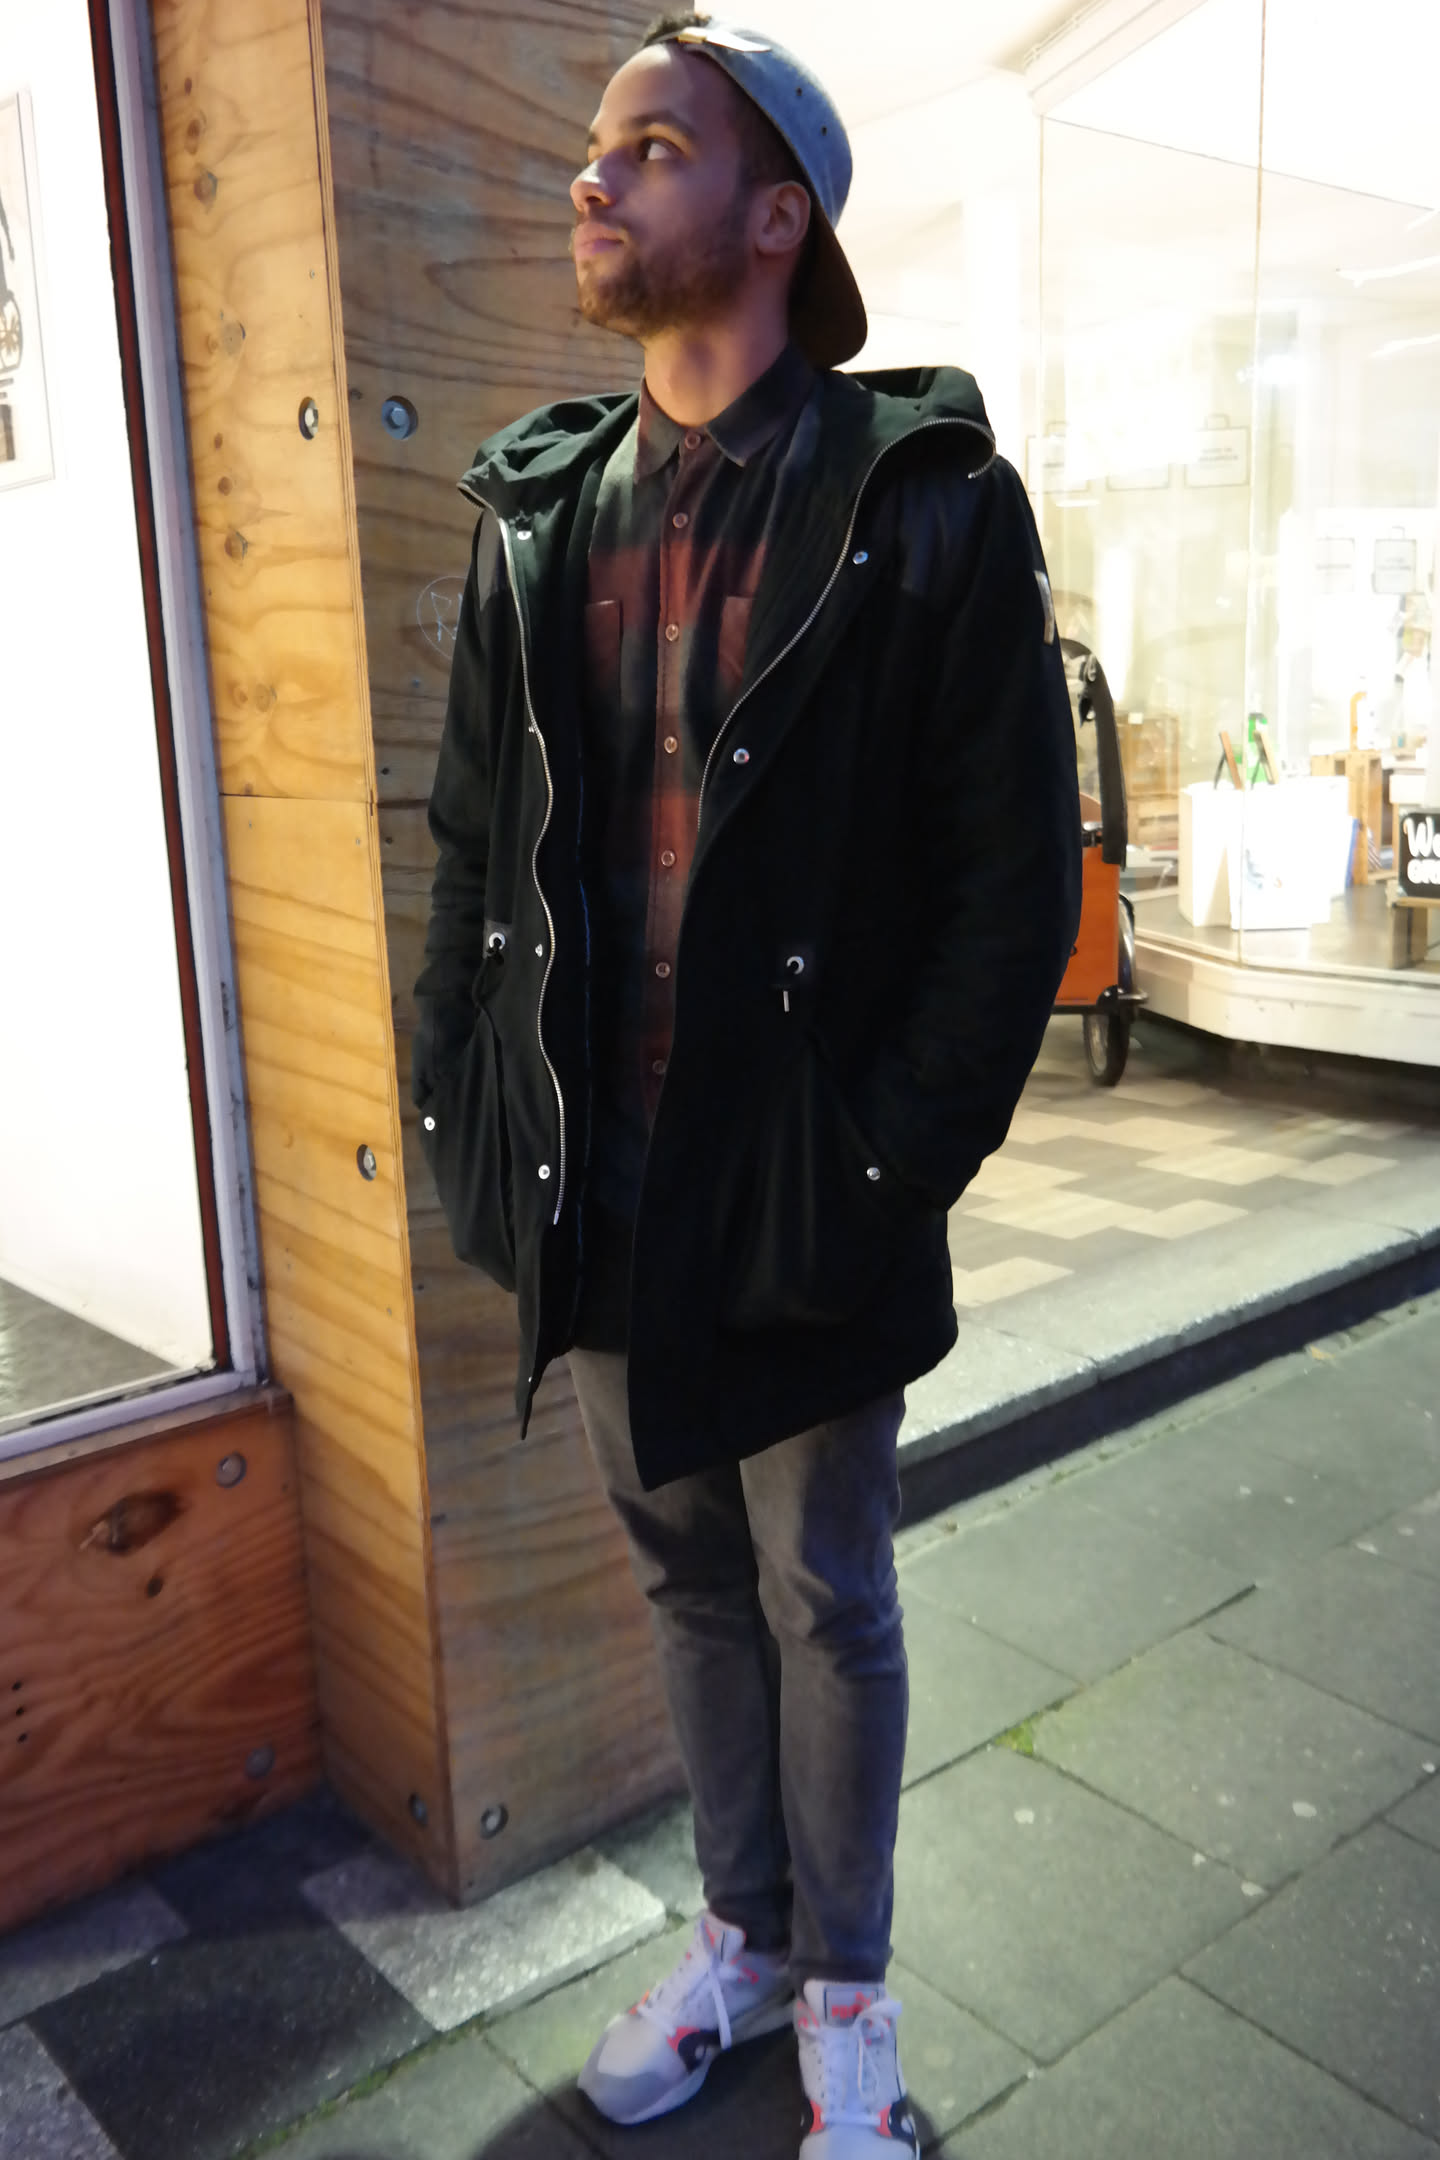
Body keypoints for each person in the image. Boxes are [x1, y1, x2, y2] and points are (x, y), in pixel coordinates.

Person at [414, 14, 1081, 2155]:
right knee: (688, 1583)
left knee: (825, 1596)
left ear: (777, 214)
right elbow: (470, 849)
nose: (591, 177)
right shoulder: (541, 514)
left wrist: (882, 1166)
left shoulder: (919, 504)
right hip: (601, 1182)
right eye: (598, 144)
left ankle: (846, 1996)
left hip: (810, 1186)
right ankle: (741, 1940)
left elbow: (1011, 888)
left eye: (650, 147)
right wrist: (469, 1108)